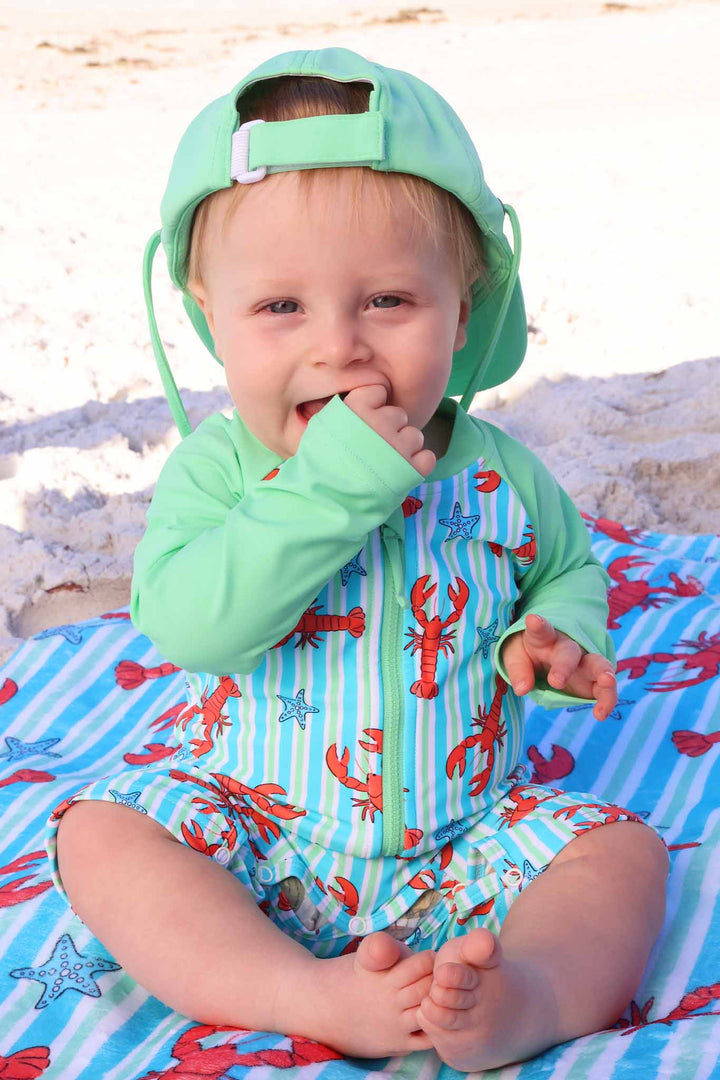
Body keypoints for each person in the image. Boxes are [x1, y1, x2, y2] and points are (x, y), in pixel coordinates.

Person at [46, 47, 669, 1072]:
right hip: (249, 826)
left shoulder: (499, 476)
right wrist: (332, 487)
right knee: (99, 839)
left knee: (628, 856)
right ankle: (305, 990)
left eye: (387, 301)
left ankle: (527, 996)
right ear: (211, 315)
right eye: (281, 308)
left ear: (463, 310)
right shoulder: (219, 469)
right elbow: (190, 621)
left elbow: (567, 567)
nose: (338, 349)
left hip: (468, 834)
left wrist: (554, 641)